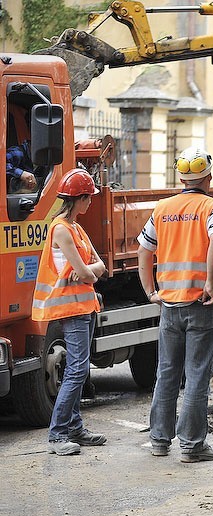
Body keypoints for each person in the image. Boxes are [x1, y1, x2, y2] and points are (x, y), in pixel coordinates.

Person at [137, 146, 213, 463]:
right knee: (197, 375)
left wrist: (151, 291)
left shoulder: (162, 208)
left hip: (170, 305)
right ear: (209, 177)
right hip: (202, 303)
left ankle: (159, 442)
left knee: (166, 374)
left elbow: (144, 249)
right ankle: (192, 446)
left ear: (180, 177)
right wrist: (208, 282)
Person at [32, 168, 107, 455]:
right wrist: (89, 271)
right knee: (76, 371)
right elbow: (86, 272)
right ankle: (58, 435)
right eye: (89, 198)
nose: (91, 203)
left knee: (81, 369)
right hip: (71, 308)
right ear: (80, 198)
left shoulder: (76, 228)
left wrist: (90, 271)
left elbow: (96, 267)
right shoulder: (61, 229)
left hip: (85, 305)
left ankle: (75, 427)